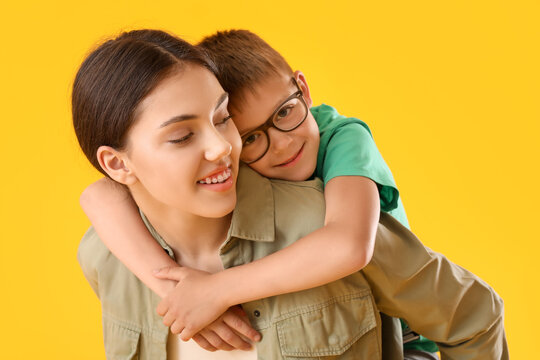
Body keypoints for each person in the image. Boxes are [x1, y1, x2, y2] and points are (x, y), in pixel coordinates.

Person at [74, 29, 508, 359]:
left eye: (221, 118)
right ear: (117, 163)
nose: (224, 147)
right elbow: (97, 194)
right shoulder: (107, 254)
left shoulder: (333, 182)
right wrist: (168, 284)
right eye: (182, 136)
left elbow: (352, 246)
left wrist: (219, 290)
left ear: (303, 89)